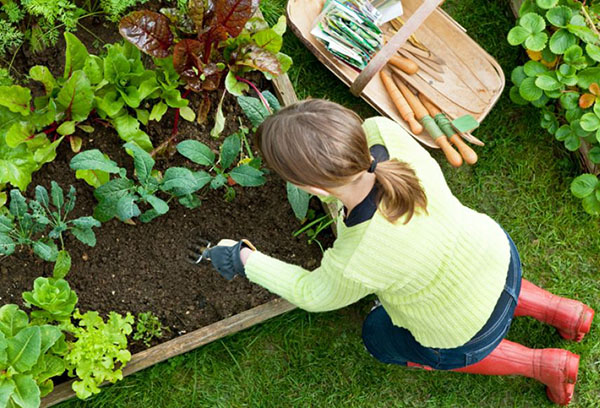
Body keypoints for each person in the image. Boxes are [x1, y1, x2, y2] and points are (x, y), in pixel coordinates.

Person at [202, 99, 594, 406]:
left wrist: (244, 259)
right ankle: (565, 311)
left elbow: (312, 294)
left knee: (379, 336)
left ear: (316, 190)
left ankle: (544, 366)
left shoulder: (358, 257)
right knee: (475, 278)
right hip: (496, 254)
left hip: (467, 330)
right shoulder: (384, 133)